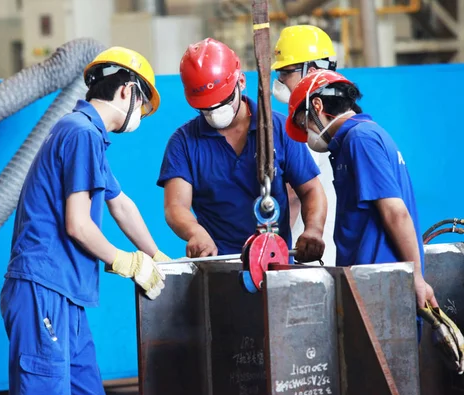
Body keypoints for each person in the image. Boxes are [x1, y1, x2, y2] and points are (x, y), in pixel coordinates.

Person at [0, 46, 171, 395]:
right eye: (141, 105)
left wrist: (155, 255)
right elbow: (78, 224)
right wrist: (125, 261)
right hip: (43, 291)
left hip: (66, 297)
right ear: (127, 91)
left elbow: (120, 205)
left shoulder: (85, 133)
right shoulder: (81, 134)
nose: (139, 114)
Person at [157, 38, 327, 263]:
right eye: (206, 108)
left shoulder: (278, 130)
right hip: (217, 265)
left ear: (241, 81)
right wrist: (194, 232)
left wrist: (313, 230)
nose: (216, 113)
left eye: (223, 101)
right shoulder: (184, 143)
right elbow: (175, 206)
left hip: (274, 264)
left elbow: (311, 190)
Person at [284, 69, 438, 310]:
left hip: (383, 287)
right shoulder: (351, 141)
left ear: (317, 104)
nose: (307, 133)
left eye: (304, 122)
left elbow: (395, 213)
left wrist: (416, 277)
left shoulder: (361, 139)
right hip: (369, 285)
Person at [272, 24, 339, 266]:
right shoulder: (332, 117)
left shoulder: (310, 126)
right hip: (326, 251)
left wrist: (270, 251)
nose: (279, 82)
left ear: (310, 70)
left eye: (285, 73)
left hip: (309, 254)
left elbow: (292, 197)